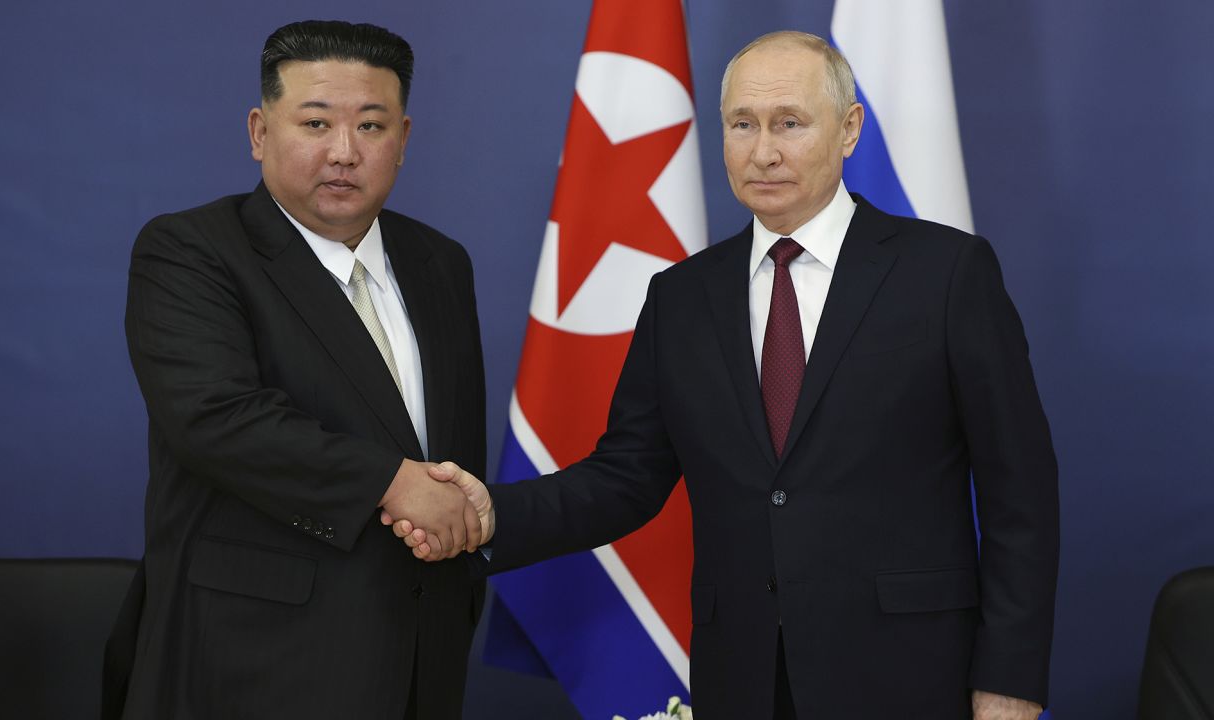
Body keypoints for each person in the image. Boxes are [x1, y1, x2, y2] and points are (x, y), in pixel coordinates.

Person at [388, 31, 1058, 720]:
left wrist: (1010, 681)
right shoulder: (682, 297)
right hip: (743, 680)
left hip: (909, 676)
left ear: (850, 128)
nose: (762, 151)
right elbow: (626, 477)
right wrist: (493, 512)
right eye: (742, 124)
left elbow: (1021, 493)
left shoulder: (945, 273)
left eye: (789, 123)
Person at [111, 20, 488, 720]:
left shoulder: (442, 263)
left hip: (422, 651)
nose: (344, 152)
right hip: (256, 658)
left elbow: (449, 449)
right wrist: (392, 482)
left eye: (371, 126)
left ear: (404, 138)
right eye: (315, 122)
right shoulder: (191, 251)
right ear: (259, 132)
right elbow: (216, 419)